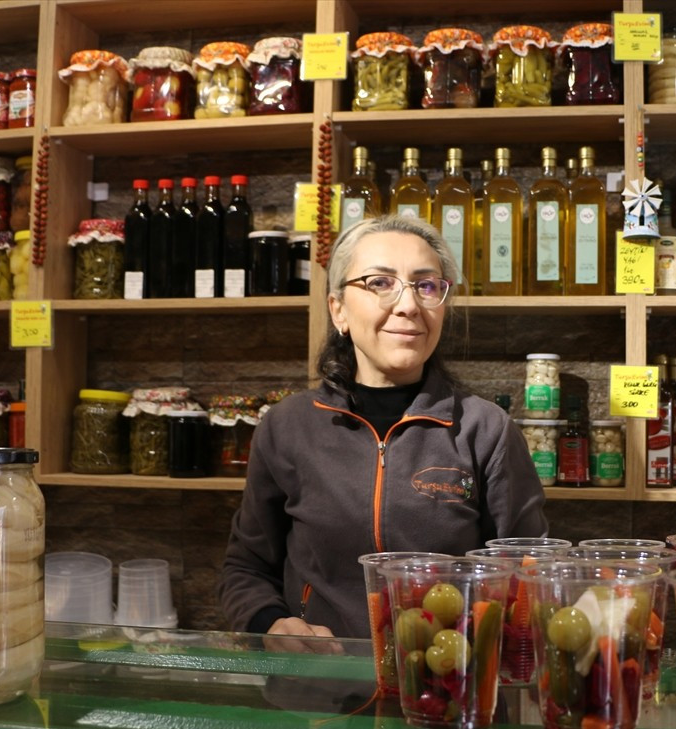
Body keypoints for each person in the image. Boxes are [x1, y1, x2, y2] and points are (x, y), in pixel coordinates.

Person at [220, 214, 548, 641]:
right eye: (380, 282)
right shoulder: (287, 427)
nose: (408, 305)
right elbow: (246, 567)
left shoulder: (486, 430)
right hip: (321, 678)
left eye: (426, 285)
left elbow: (528, 572)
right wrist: (270, 624)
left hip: (445, 674)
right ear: (338, 309)